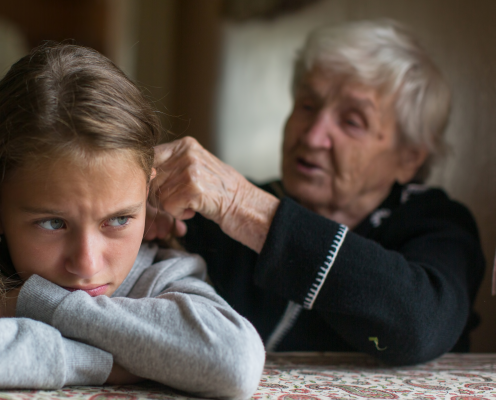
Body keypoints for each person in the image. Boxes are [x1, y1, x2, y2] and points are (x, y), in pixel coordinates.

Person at [0, 43, 264, 399]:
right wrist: (106, 361)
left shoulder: (158, 274)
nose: (88, 264)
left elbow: (234, 362)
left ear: (147, 196)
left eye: (118, 220)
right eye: (53, 223)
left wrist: (22, 303)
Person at [146, 19, 485, 366]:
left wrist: (240, 205)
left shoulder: (437, 222)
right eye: (307, 106)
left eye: (352, 121)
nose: (312, 137)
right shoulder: (216, 212)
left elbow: (420, 327)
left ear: (408, 157)